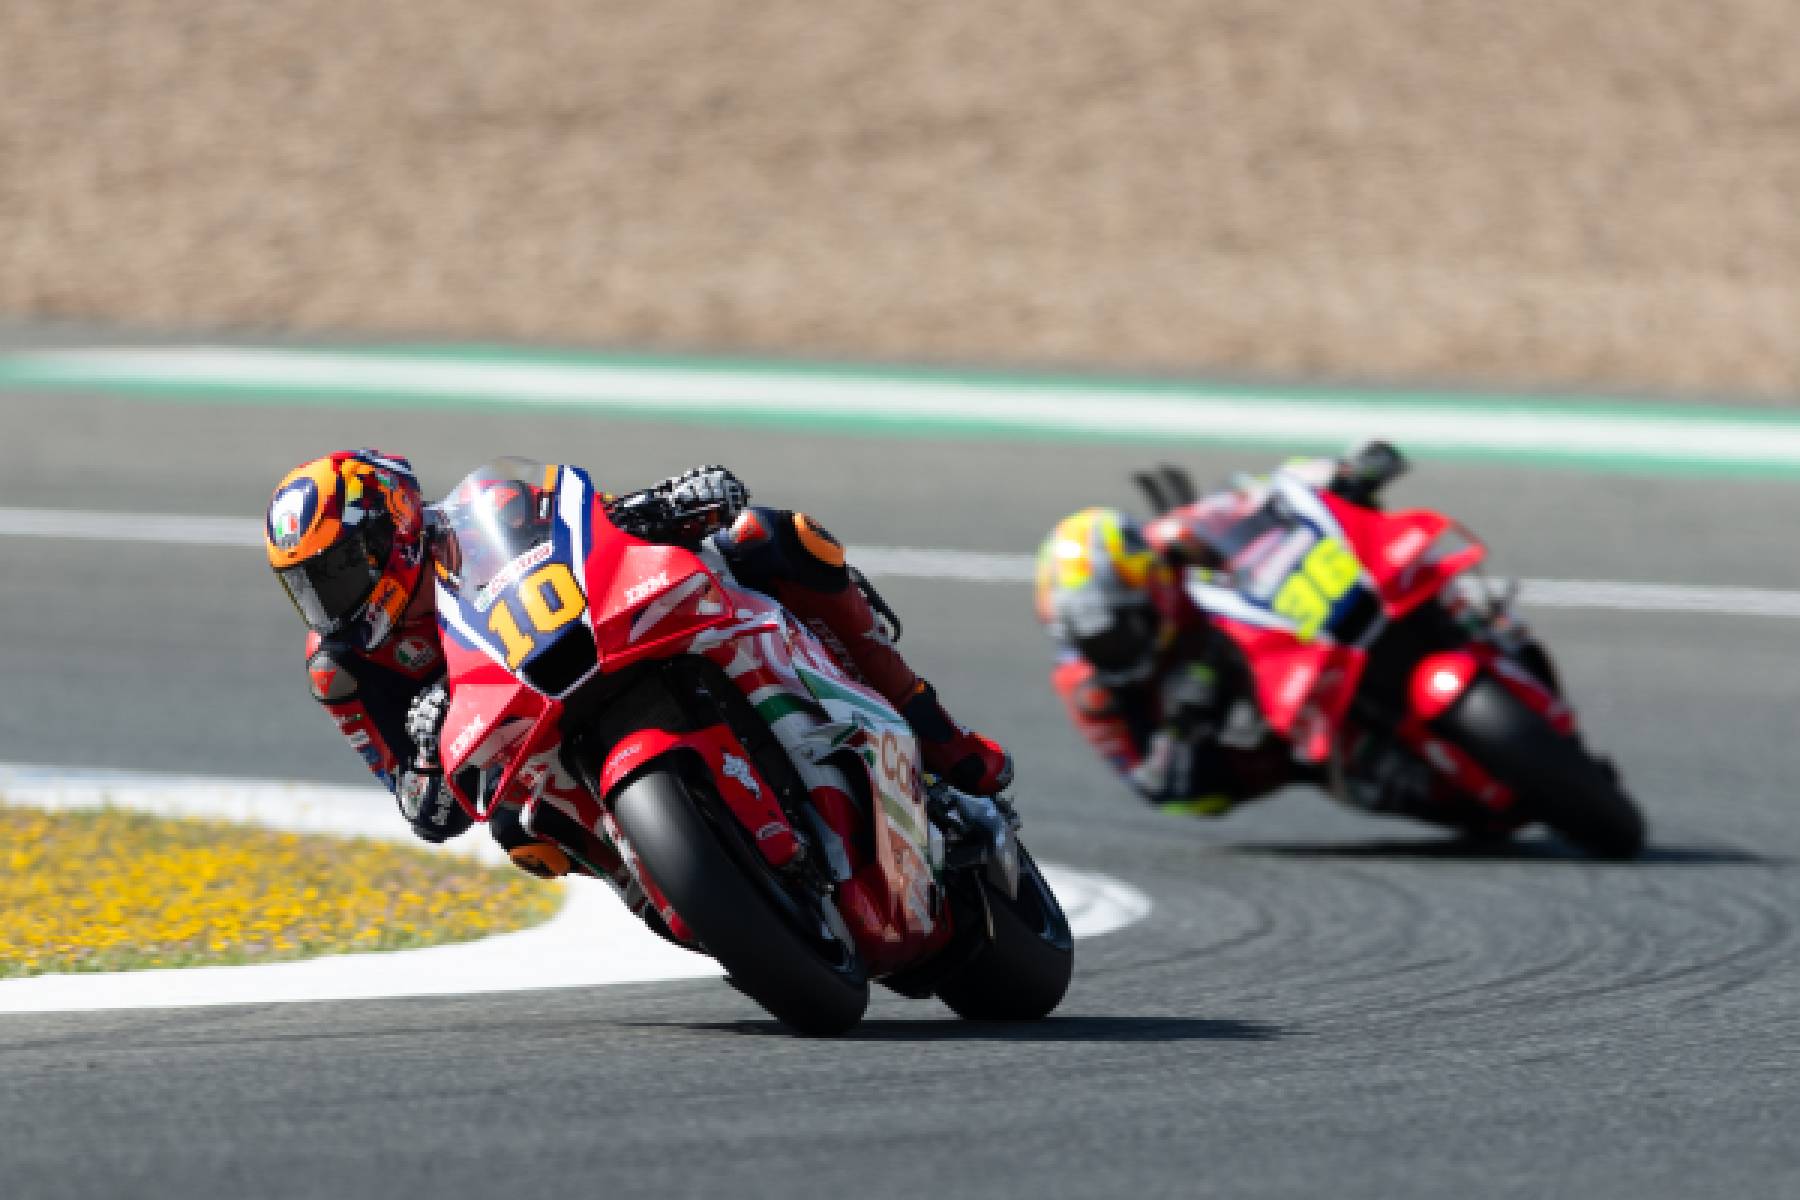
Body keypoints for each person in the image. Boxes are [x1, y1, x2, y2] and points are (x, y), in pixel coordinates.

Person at [265, 451, 1011, 878]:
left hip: (601, 638)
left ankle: (936, 736)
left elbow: (593, 526)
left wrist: (668, 503)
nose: (328, 603)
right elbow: (424, 814)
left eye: (337, 572)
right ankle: (671, 889)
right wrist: (429, 750)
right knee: (523, 835)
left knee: (776, 538)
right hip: (531, 744)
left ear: (391, 530)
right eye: (308, 587)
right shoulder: (344, 670)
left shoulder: (488, 508)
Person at [1034, 441, 1454, 822]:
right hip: (1252, 731)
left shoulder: (1173, 540)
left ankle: (1467, 616)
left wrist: (1339, 475)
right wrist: (1184, 732)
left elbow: (1266, 493)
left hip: (1288, 628)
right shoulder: (1088, 689)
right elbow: (1159, 789)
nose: (1112, 648)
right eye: (1093, 642)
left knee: (1392, 567)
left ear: (1151, 585)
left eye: (1121, 628)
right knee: (1372, 774)